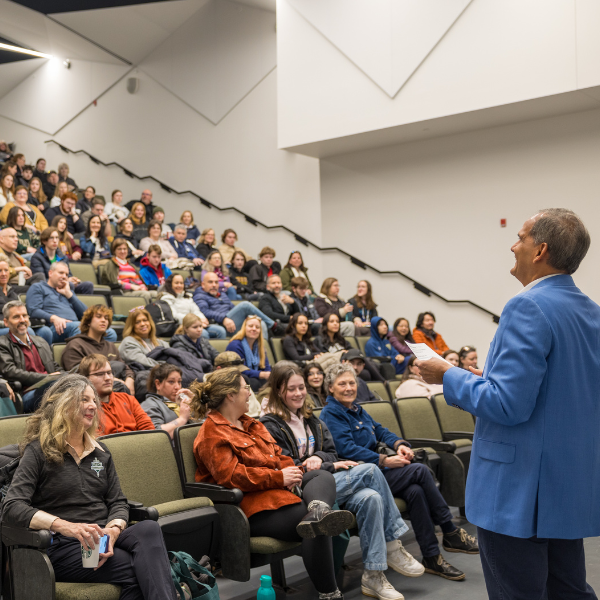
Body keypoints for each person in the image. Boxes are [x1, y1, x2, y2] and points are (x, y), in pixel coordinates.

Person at [417, 209, 600, 599]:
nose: (513, 245)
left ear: (540, 250)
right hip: (564, 486)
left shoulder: (527, 306)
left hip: (518, 492)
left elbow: (508, 406)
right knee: (569, 590)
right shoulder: (590, 313)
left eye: (520, 237)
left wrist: (448, 374)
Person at [1, 374, 177, 599]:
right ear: (64, 404)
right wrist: (67, 527)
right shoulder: (38, 451)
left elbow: (118, 502)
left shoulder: (101, 452)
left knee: (149, 528)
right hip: (63, 543)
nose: (93, 405)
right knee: (138, 566)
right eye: (84, 399)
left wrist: (113, 531)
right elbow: (13, 506)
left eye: (94, 399)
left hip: (100, 537)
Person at [261, 363, 424, 599]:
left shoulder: (310, 419)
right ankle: (392, 544)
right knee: (370, 471)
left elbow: (331, 452)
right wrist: (322, 463)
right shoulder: (270, 425)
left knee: (372, 498)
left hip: (326, 481)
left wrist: (319, 457)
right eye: (290, 389)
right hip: (304, 490)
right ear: (278, 391)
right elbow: (287, 465)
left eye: (301, 387)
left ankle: (373, 576)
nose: (298, 393)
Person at [190, 367, 352, 600]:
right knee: (316, 527)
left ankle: (319, 508)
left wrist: (291, 471)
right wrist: (279, 477)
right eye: (246, 388)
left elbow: (277, 455)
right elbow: (232, 477)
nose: (249, 393)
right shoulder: (212, 433)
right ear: (230, 395)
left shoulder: (250, 424)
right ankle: (330, 593)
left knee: (321, 476)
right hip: (252, 507)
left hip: (280, 494)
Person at [321, 363, 478, 581]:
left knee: (415, 491)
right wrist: (385, 460)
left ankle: (432, 557)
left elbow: (380, 430)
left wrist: (399, 444)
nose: (349, 388)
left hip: (378, 469)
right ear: (330, 388)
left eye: (352, 382)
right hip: (360, 478)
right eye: (342, 384)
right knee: (420, 472)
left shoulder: (356, 409)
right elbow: (346, 449)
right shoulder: (331, 414)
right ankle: (450, 530)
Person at [27, 262, 117, 344]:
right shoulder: (38, 287)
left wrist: (69, 294)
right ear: (50, 273)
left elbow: (87, 314)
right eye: (61, 273)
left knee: (110, 333)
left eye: (66, 274)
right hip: (55, 328)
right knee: (77, 327)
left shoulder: (67, 290)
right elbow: (33, 310)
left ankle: (101, 357)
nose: (64, 276)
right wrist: (53, 318)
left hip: (75, 325)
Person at [62, 305, 135, 395]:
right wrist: (111, 379)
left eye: (106, 318)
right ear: (88, 322)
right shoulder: (75, 345)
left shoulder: (110, 346)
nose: (103, 320)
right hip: (89, 391)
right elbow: (77, 375)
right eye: (99, 316)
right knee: (119, 385)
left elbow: (125, 367)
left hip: (114, 385)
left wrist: (130, 378)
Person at [0, 300, 60, 404]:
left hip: (51, 385)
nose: (22, 320)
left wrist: (65, 375)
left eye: (24, 315)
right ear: (6, 322)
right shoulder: (2, 344)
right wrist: (47, 379)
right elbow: (10, 372)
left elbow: (54, 366)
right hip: (27, 393)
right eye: (16, 317)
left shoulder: (40, 341)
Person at [80, 354, 154, 435]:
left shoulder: (128, 399)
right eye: (100, 374)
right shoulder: (85, 407)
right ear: (86, 379)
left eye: (109, 373)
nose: (108, 378)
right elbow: (97, 441)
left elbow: (149, 430)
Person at [193, 272, 277, 340]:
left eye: (216, 282)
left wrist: (247, 319)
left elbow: (233, 308)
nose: (214, 285)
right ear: (203, 284)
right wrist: (224, 318)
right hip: (220, 324)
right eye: (210, 282)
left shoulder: (222, 294)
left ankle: (263, 354)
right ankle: (274, 326)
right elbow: (204, 311)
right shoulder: (199, 296)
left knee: (261, 324)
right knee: (245, 305)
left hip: (232, 322)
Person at [30, 227, 93, 295]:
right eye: (51, 238)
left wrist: (73, 279)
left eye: (57, 238)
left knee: (88, 285)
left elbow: (69, 275)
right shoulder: (37, 257)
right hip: (48, 288)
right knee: (70, 285)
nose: (55, 241)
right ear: (44, 241)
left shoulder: (63, 257)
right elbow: (41, 280)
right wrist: (64, 281)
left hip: (64, 284)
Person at [140, 363, 193, 438]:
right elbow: (156, 435)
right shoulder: (150, 404)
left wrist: (196, 401)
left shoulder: (183, 401)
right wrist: (182, 419)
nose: (177, 387)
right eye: (171, 382)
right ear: (158, 384)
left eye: (179, 382)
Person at [100, 238, 155, 302]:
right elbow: (115, 282)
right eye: (119, 249)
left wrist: (142, 287)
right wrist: (132, 286)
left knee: (155, 294)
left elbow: (139, 280)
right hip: (124, 292)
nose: (122, 251)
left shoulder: (131, 266)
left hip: (136, 290)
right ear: (114, 251)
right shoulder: (111, 264)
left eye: (124, 249)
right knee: (146, 294)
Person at [226, 315, 271, 391]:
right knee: (254, 382)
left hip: (253, 376)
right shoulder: (235, 345)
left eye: (257, 327)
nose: (254, 329)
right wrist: (261, 374)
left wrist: (269, 375)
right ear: (244, 328)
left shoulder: (260, 347)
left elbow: (266, 367)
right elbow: (239, 369)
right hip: (235, 377)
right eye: (250, 326)